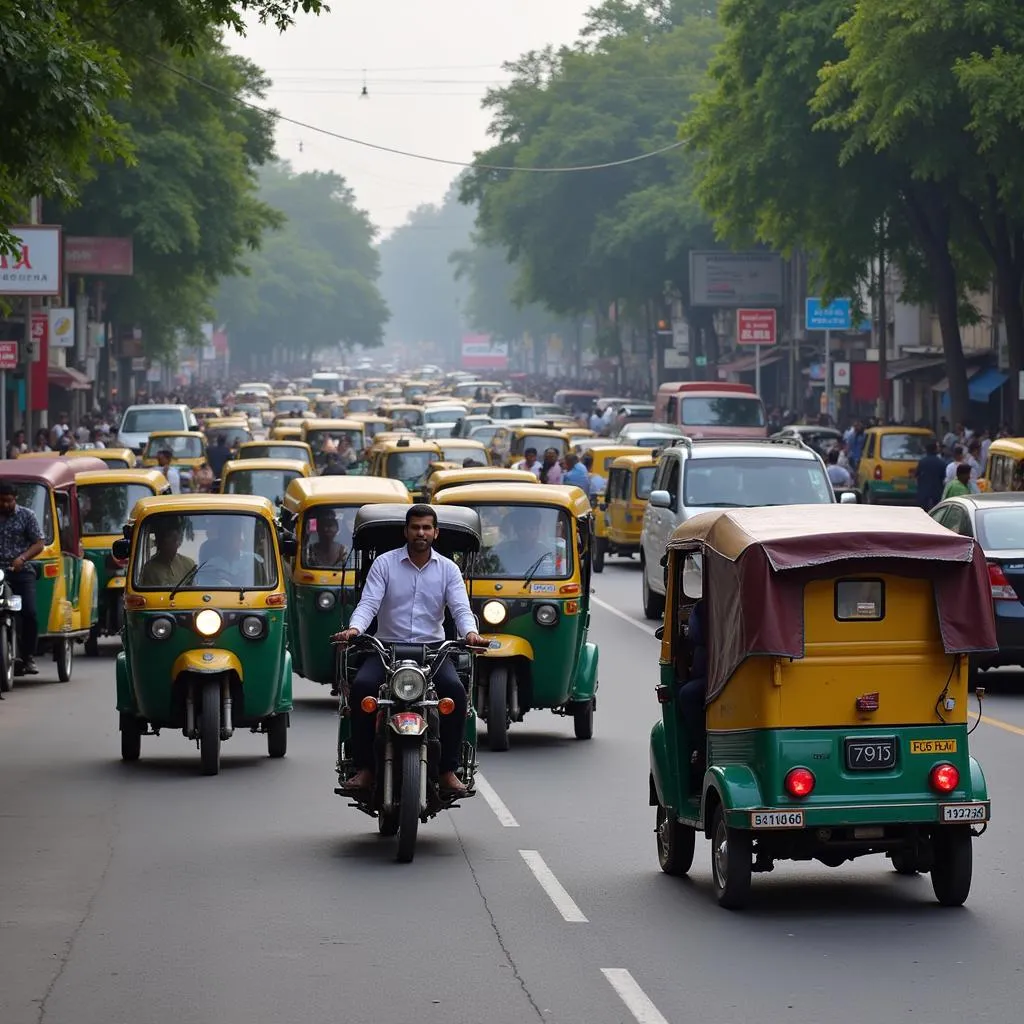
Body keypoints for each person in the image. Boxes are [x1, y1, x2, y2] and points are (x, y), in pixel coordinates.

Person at [333, 505, 484, 797]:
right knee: (363, 688)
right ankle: (365, 769)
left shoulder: (448, 570)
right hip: (386, 649)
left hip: (433, 651)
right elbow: (368, 604)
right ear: (406, 531)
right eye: (416, 527)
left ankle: (447, 770)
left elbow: (461, 608)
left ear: (435, 533)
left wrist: (471, 633)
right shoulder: (384, 564)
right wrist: (355, 630)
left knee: (455, 692)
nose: (421, 533)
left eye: (427, 528)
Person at [0, 481, 45, 677]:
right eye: (1, 501)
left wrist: (22, 558)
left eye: (9, 501)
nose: (5, 505)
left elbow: (39, 543)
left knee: (29, 612)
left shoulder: (27, 515)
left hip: (22, 571)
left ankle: (28, 656)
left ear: (15, 499)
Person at [676, 600, 707, 767]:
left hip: (720, 677)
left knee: (686, 694)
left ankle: (703, 748)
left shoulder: (704, 607)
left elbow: (696, 635)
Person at [489, 507, 555, 576]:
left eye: (532, 529)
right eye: (522, 529)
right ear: (517, 531)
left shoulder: (545, 553)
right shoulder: (503, 551)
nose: (527, 533)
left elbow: (548, 575)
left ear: (537, 531)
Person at [140, 518, 195, 587]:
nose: (176, 542)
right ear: (160, 541)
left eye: (177, 539)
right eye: (170, 537)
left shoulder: (189, 564)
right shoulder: (150, 569)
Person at [915, 440, 947, 511]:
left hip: (923, 494)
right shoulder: (941, 462)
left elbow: (917, 475)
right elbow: (944, 477)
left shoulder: (922, 462)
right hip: (937, 493)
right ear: (936, 450)